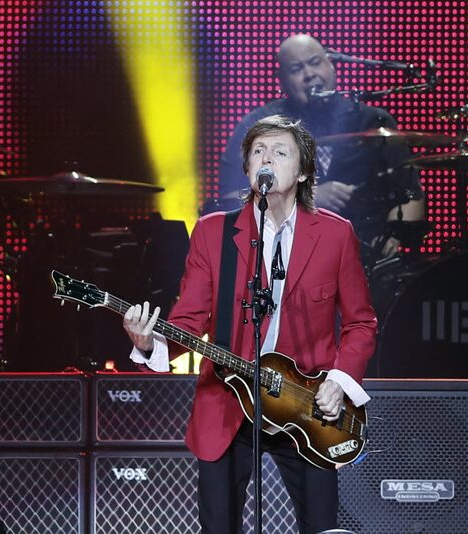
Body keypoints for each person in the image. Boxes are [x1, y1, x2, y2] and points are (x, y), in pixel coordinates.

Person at [123, 115, 377, 533]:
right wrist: (150, 344)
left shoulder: (335, 235)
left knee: (322, 525)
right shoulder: (212, 233)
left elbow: (361, 323)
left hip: (307, 403)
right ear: (247, 168)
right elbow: (189, 319)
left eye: (280, 152)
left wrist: (340, 382)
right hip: (228, 400)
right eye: (258, 151)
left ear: (303, 172)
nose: (267, 159)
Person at [215, 33, 426, 260]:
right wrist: (303, 197)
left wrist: (393, 241)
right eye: (297, 69)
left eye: (316, 63)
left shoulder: (374, 121)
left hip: (366, 261)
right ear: (281, 80)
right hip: (283, 260)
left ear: (331, 65)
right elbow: (229, 200)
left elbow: (411, 194)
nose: (309, 74)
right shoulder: (259, 126)